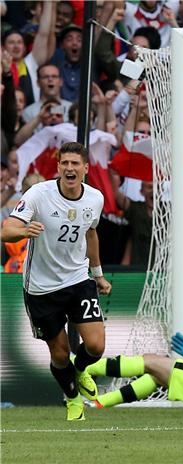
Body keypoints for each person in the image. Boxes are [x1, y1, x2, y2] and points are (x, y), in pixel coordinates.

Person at [0, 142, 111, 421]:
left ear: (86, 168)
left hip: (77, 278)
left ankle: (82, 368)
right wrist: (25, 229)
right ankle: (73, 399)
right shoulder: (39, 194)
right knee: (60, 354)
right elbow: (6, 230)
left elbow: (91, 234)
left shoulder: (95, 199)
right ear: (58, 166)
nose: (69, 168)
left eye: (75, 163)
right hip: (41, 287)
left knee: (96, 347)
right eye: (65, 163)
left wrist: (97, 274)